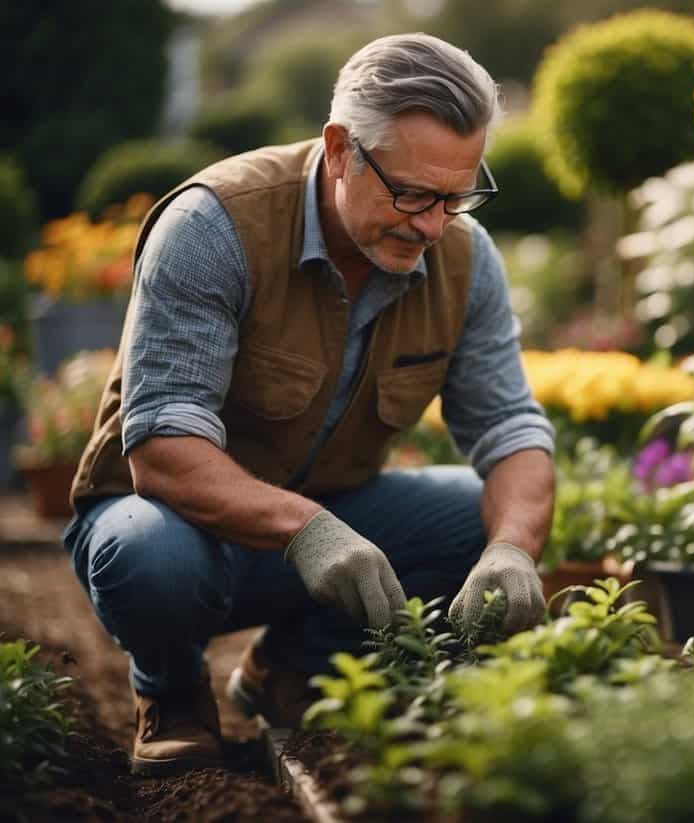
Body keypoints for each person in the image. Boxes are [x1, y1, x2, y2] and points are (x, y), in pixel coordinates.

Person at [62, 33, 556, 776]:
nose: (431, 224)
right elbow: (161, 445)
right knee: (149, 557)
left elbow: (512, 428)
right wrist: (308, 529)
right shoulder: (213, 226)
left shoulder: (462, 253)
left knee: (474, 515)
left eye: (455, 196)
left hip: (331, 517)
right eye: (412, 193)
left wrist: (513, 547)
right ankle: (171, 689)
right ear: (338, 149)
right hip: (180, 524)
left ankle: (288, 669)